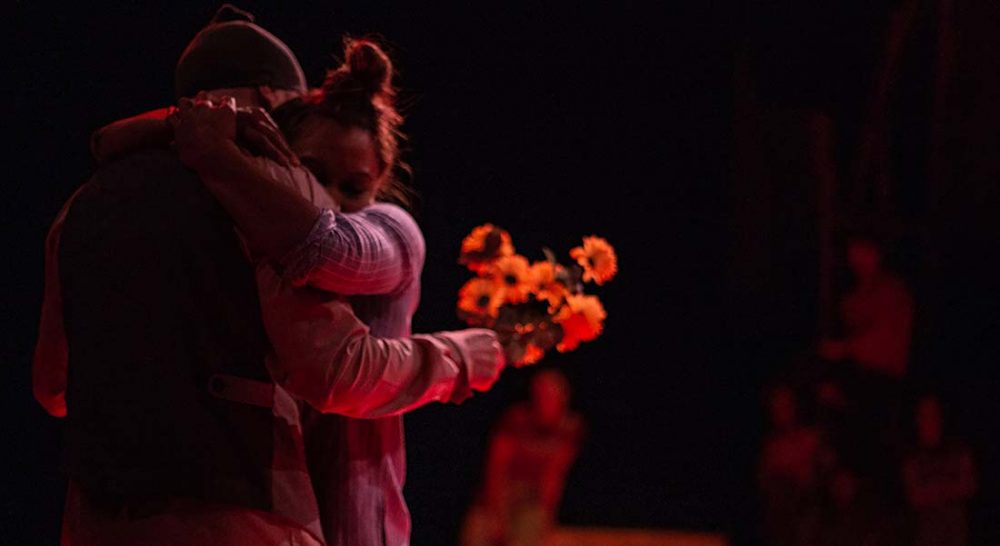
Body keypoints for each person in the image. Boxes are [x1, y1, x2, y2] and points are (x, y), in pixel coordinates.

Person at [33, 6, 504, 545]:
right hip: (241, 514)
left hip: (94, 523)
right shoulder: (260, 191)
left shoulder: (80, 209)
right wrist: (459, 358)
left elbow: (53, 388)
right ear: (270, 100)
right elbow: (334, 371)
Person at [461, 369, 584, 546]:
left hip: (530, 502)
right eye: (541, 395)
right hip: (498, 495)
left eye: (551, 396)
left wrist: (546, 517)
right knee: (479, 532)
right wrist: (498, 516)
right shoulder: (516, 420)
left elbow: (554, 476)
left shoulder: (570, 429)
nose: (545, 402)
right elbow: (496, 469)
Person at [902, 394, 976, 546]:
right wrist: (950, 488)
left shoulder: (959, 450)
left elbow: (969, 486)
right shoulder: (912, 458)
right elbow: (915, 497)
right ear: (918, 420)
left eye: (934, 414)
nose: (930, 420)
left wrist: (932, 491)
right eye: (925, 415)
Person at [757, 384, 825, 546]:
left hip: (811, 517)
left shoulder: (811, 441)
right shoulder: (772, 448)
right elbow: (764, 485)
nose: (781, 411)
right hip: (782, 525)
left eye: (785, 405)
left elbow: (822, 478)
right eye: (777, 406)